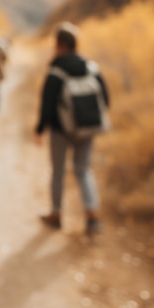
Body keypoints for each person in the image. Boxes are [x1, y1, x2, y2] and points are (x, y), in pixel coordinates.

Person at [34, 21, 109, 234]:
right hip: (88, 128)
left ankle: (56, 214)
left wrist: (40, 129)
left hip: (61, 130)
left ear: (59, 43)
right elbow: (105, 99)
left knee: (58, 171)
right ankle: (92, 216)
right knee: (83, 170)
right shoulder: (91, 66)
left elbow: (47, 103)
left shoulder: (56, 69)